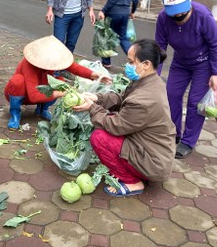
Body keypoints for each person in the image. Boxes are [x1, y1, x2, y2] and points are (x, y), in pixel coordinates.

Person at [73, 39, 175, 196]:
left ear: (146, 64)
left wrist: (91, 108)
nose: (127, 65)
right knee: (108, 119)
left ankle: (132, 183)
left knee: (99, 137)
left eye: (131, 61)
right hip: (152, 150)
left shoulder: (144, 99)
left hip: (153, 162)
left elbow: (116, 126)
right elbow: (122, 98)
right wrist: (96, 98)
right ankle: (136, 169)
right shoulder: (149, 81)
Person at [155, 0, 217, 159]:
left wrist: (216, 72)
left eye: (182, 13)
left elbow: (216, 44)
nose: (178, 16)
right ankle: (173, 132)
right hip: (181, 62)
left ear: (189, 5)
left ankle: (188, 141)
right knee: (171, 95)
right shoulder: (163, 18)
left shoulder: (203, 16)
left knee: (195, 103)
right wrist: (153, 74)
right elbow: (160, 47)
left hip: (203, 64)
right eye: (174, 14)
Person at [4, 35, 111, 130]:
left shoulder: (53, 60)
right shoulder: (28, 65)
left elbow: (73, 67)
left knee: (60, 82)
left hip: (40, 90)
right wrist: (62, 93)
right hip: (23, 94)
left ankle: (42, 110)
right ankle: (15, 113)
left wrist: (94, 75)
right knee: (18, 81)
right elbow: (34, 96)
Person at [98, 0, 139, 68]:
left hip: (113, 13)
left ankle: (106, 63)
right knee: (123, 37)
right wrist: (132, 11)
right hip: (125, 13)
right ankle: (135, 61)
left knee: (107, 37)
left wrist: (103, 11)